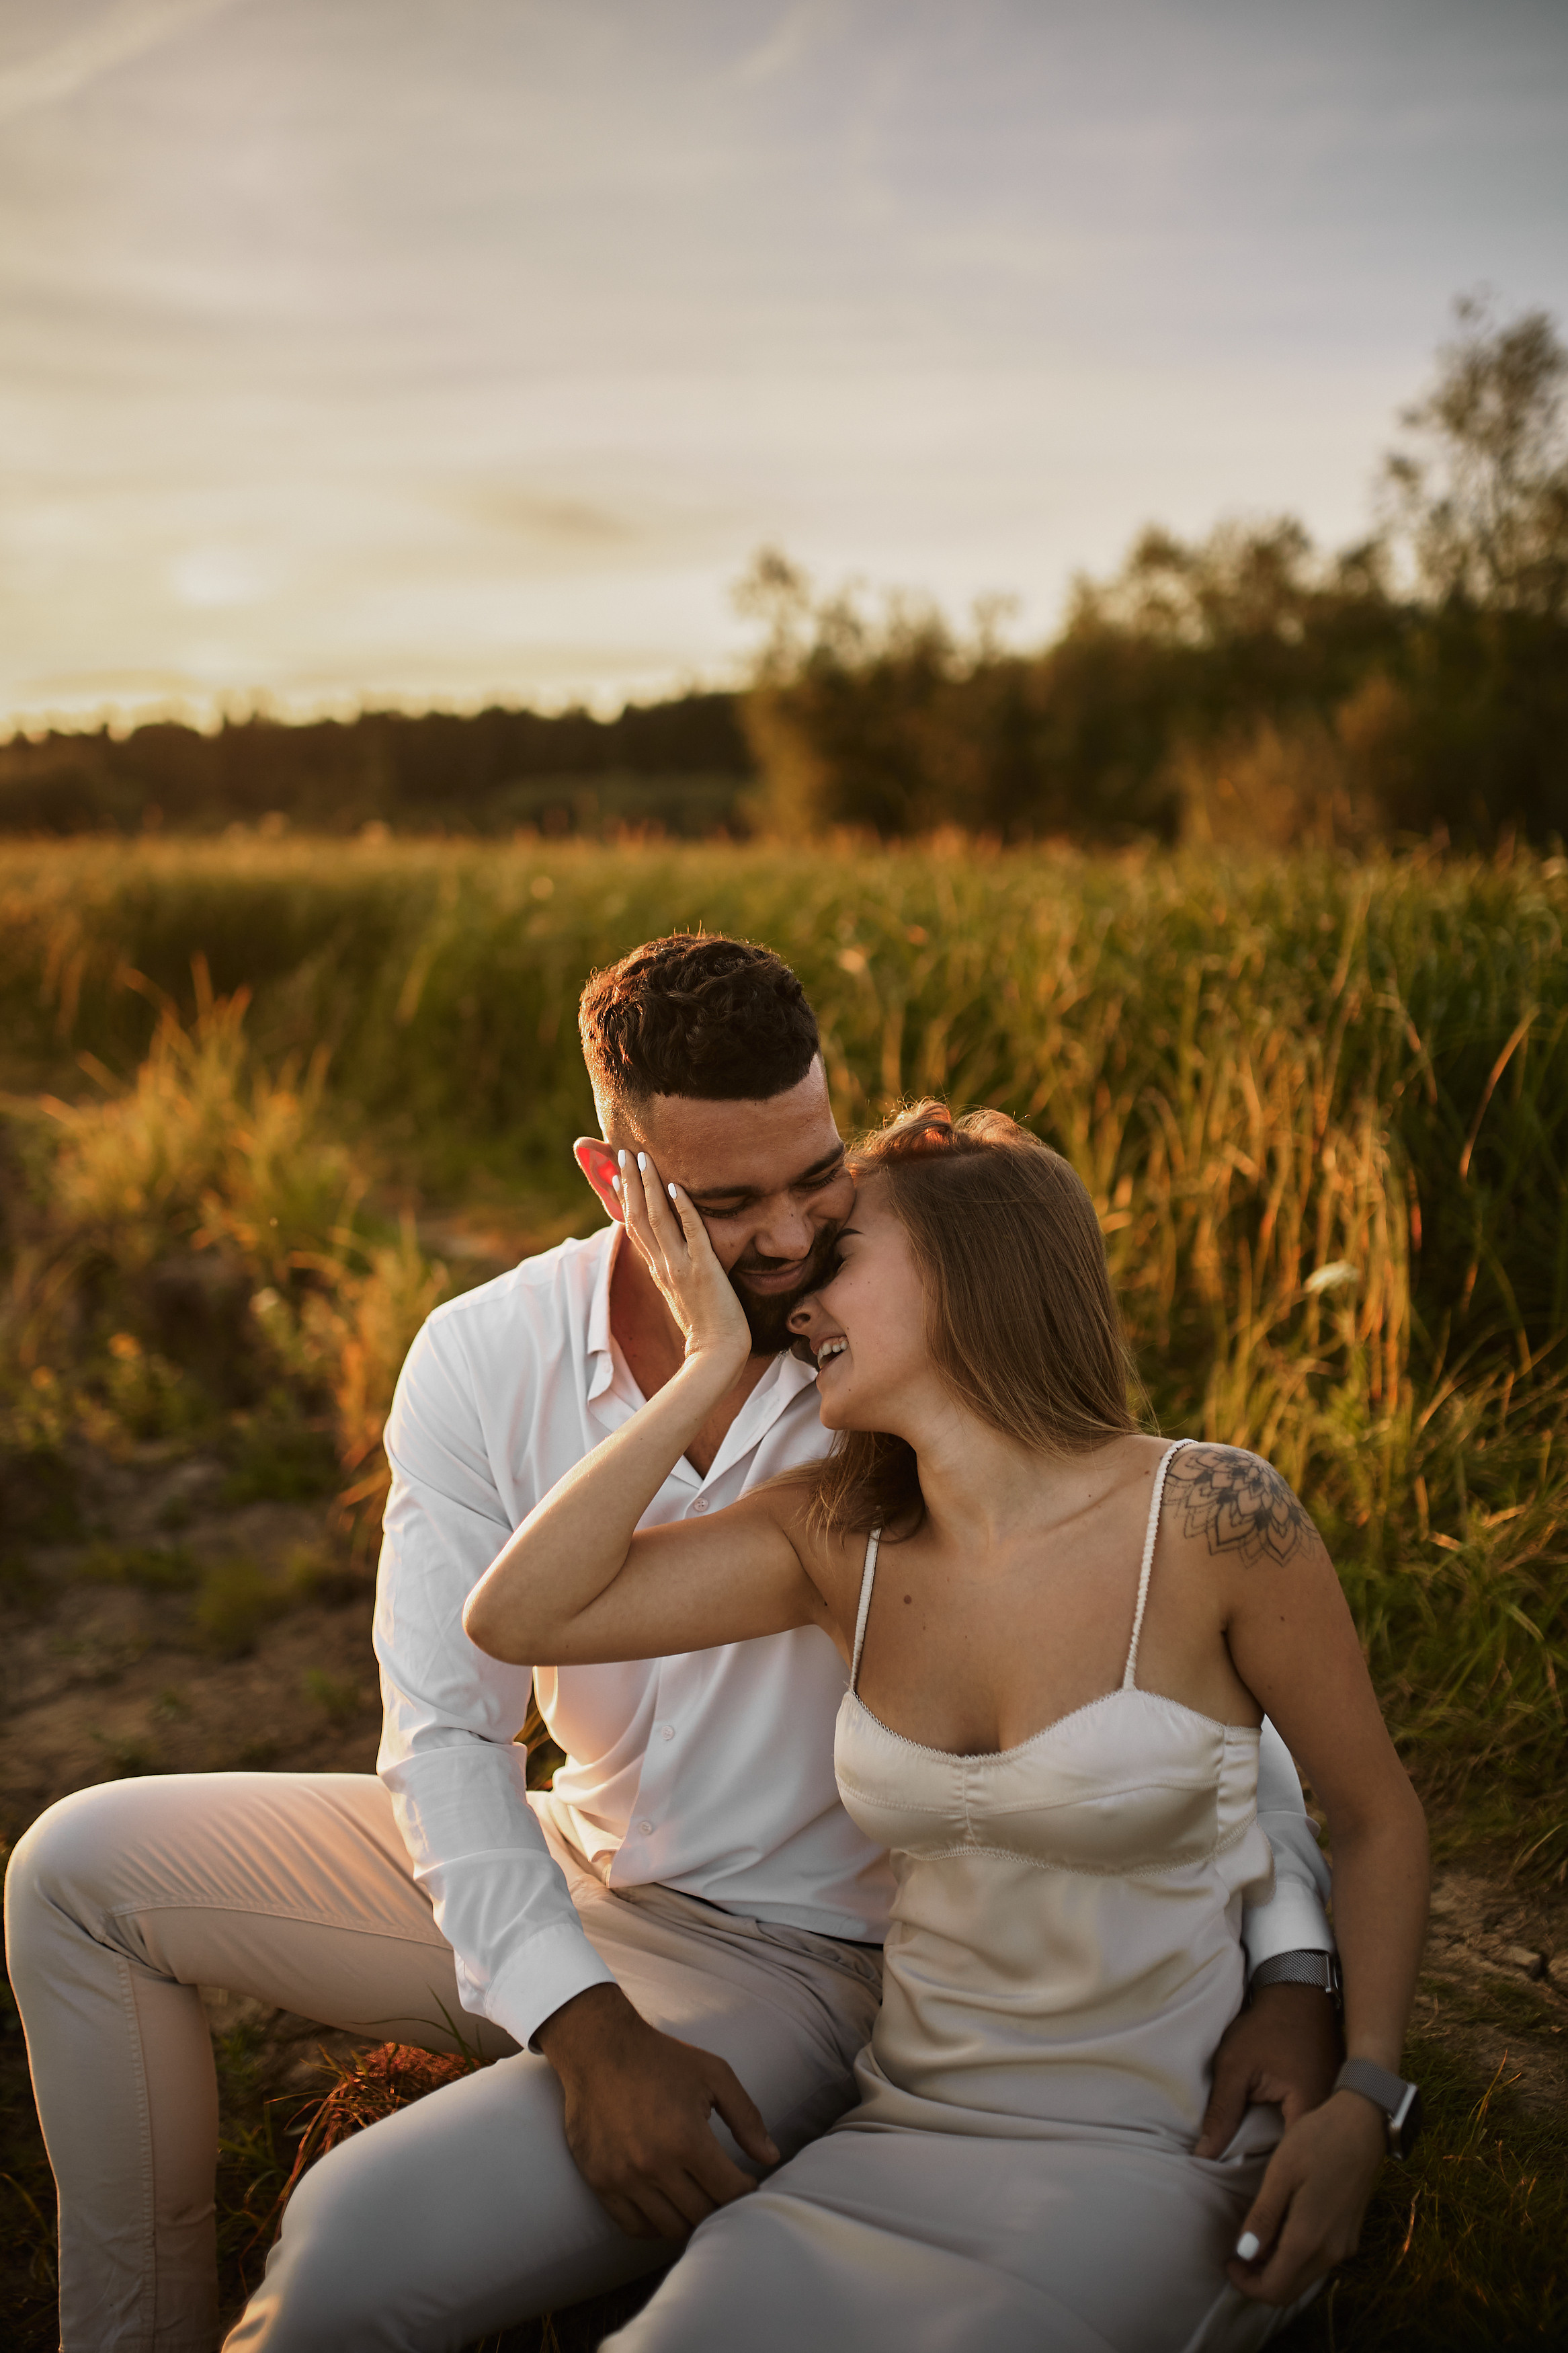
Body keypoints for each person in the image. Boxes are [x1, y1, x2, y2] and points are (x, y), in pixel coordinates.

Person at [5, 935, 1338, 2353]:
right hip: (574, 1850)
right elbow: (446, 1730)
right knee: (75, 1868)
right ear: (615, 1178)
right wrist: (577, 2023)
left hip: (798, 1958)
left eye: (815, 1173)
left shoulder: (887, 1341)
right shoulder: (482, 1353)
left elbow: (1167, 1654)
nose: (785, 1237)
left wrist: (1292, 1963)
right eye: (727, 1201)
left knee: (351, 2254)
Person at [463, 1106, 1429, 2352]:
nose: (798, 1300)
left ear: (974, 1269)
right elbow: (521, 1611)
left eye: (842, 1253)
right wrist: (706, 1362)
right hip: (888, 2140)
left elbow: (1371, 1813)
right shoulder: (832, 1538)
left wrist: (1365, 2091)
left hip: (1151, 2158)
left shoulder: (1210, 1512)